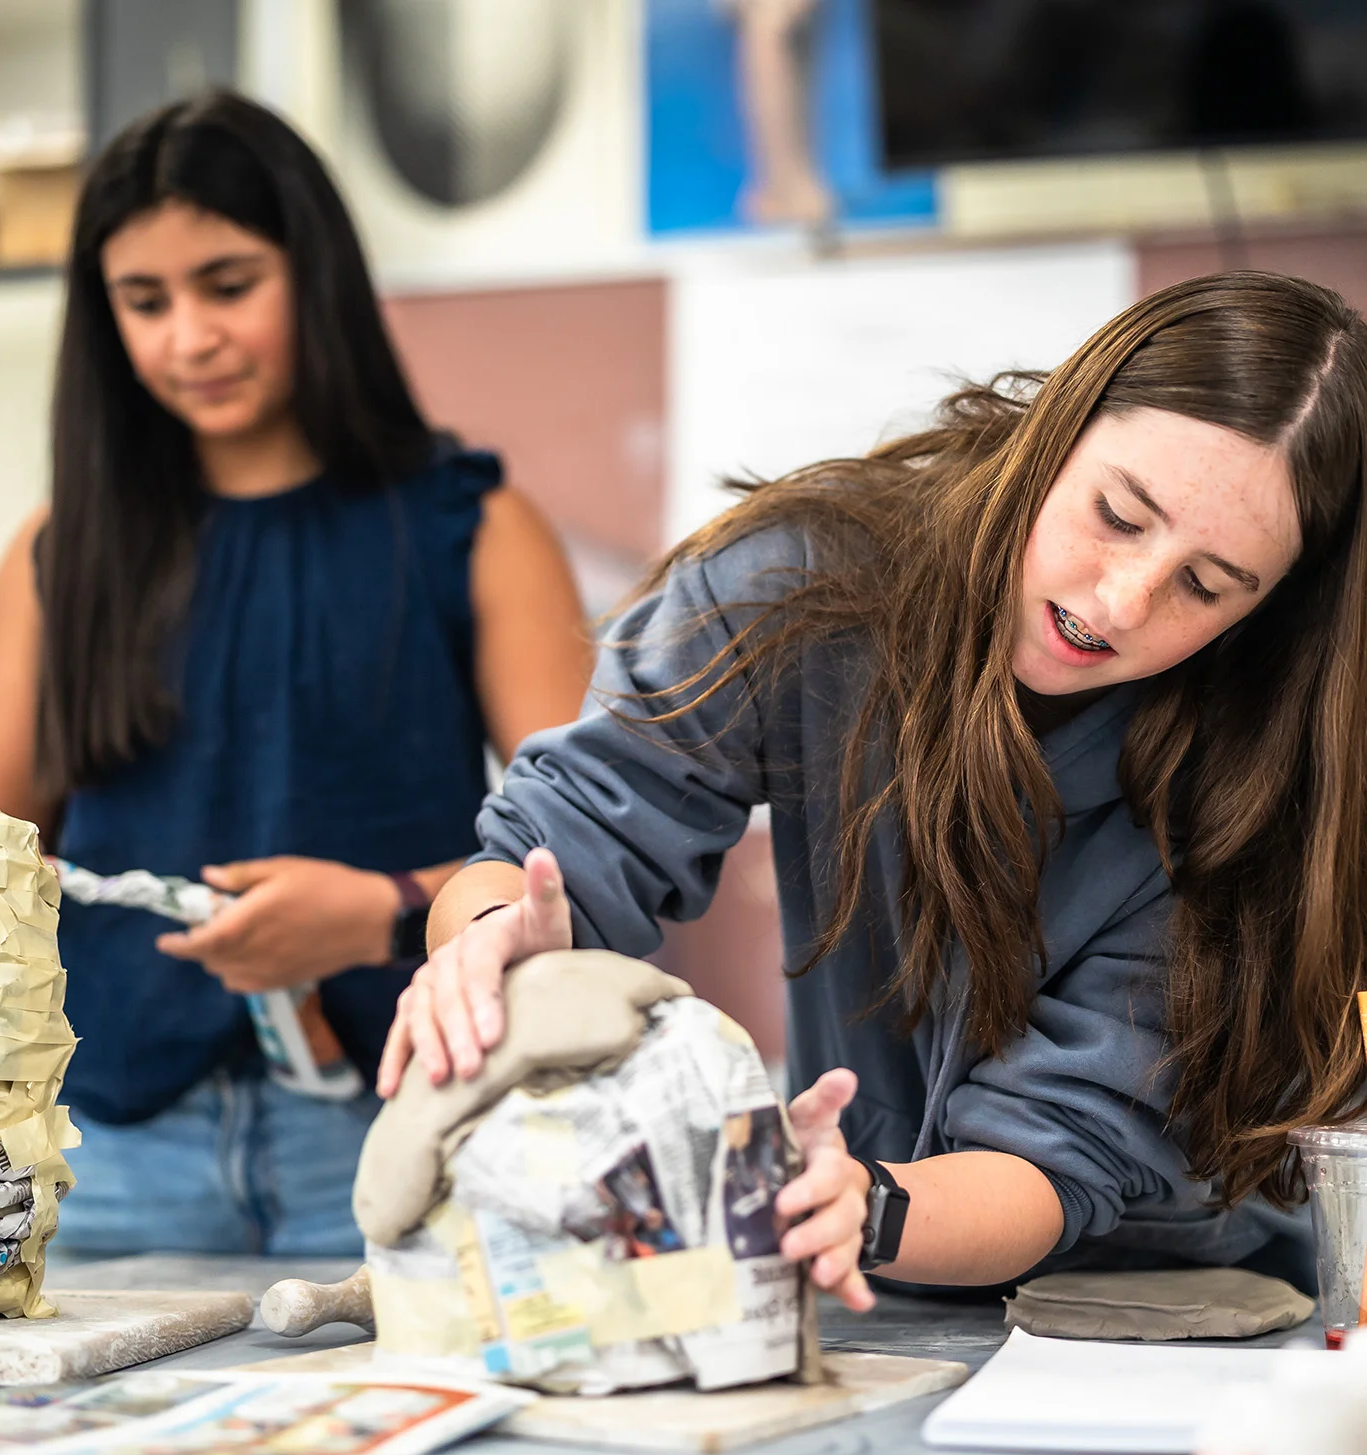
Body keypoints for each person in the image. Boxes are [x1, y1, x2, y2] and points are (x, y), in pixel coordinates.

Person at [378, 270, 1367, 1310]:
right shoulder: (806, 583)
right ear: (1057, 436)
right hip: (881, 1275)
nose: (1120, 602)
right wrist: (492, 934)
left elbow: (1059, 1150)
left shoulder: (1253, 782)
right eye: (1118, 515)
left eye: (1206, 586)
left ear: (1268, 610)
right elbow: (570, 833)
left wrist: (864, 1208)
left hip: (1172, 1294)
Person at [0, 92, 589, 1255]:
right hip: (107, 1148)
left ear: (318, 276)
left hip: (403, 1123)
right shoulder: (58, 553)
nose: (187, 338)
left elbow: (580, 865)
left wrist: (385, 913)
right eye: (143, 302)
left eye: (229, 284)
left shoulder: (477, 527)